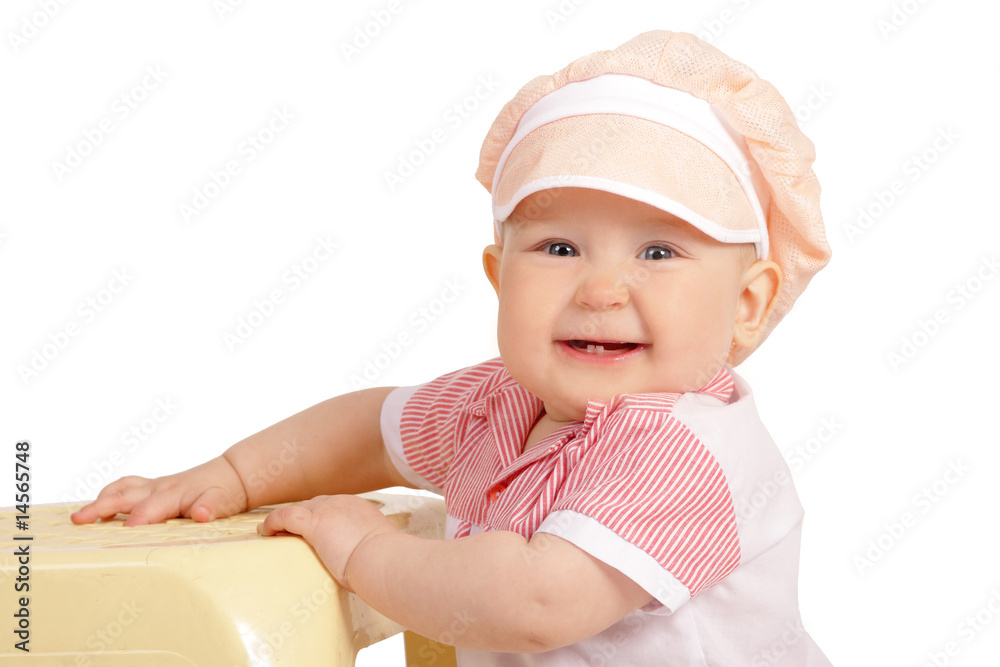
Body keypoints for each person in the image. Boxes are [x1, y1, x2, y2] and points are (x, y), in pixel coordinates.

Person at [73, 31, 833, 665]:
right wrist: (232, 475)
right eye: (560, 247)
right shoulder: (499, 402)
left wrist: (365, 553)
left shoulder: (691, 448)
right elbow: (370, 431)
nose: (602, 289)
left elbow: (535, 602)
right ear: (501, 279)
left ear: (746, 304)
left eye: (658, 252)